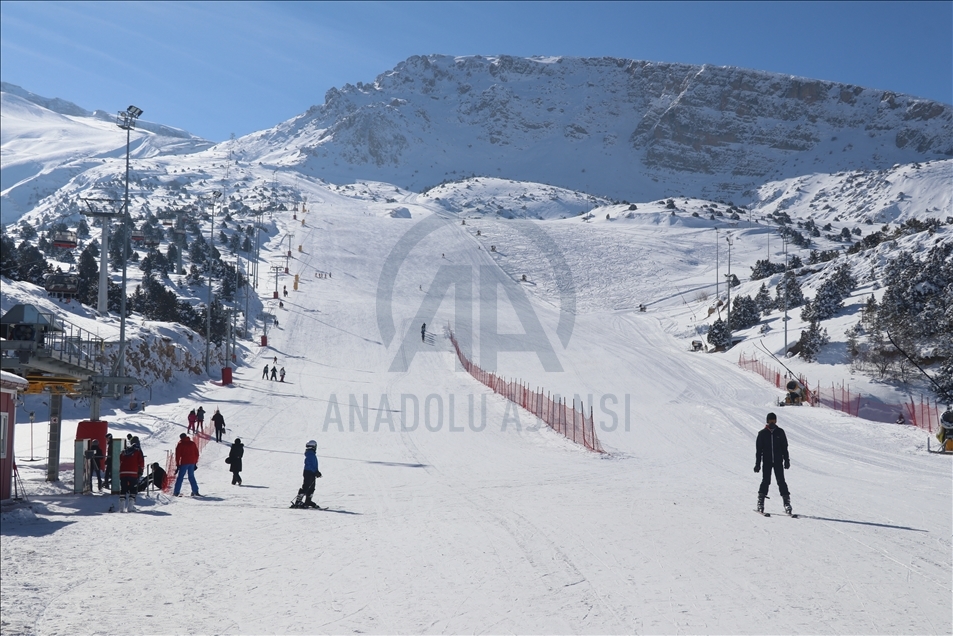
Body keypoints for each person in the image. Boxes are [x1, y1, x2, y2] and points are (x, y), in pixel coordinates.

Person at [755, 412, 792, 515]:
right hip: (767, 461)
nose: (772, 422)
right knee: (766, 481)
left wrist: (787, 460)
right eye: (771, 420)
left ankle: (787, 503)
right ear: (767, 421)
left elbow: (784, 447)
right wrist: (757, 464)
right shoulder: (762, 434)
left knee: (781, 481)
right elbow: (759, 451)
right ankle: (760, 502)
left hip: (777, 461)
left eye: (774, 420)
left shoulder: (780, 432)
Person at [291, 439, 321, 508]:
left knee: (312, 487)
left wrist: (317, 471)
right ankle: (298, 501)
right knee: (306, 486)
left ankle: (308, 501)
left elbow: (313, 464)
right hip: (309, 472)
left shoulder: (311, 454)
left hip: (311, 472)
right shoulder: (310, 454)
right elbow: (310, 464)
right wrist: (315, 471)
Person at [118, 438, 145, 512]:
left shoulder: (124, 451)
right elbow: (141, 462)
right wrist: (141, 470)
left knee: (123, 488)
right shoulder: (138, 450)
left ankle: (121, 508)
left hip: (123, 472)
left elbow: (120, 459)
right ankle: (130, 507)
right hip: (133, 473)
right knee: (133, 489)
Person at [173, 433, 201, 497]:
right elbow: (196, 453)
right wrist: (195, 462)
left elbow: (177, 455)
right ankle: (195, 490)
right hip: (192, 462)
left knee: (180, 477)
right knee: (191, 476)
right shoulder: (192, 443)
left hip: (184, 462)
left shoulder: (180, 444)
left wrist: (177, 464)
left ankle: (176, 492)